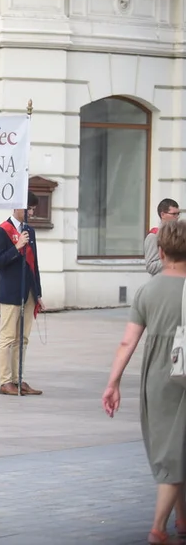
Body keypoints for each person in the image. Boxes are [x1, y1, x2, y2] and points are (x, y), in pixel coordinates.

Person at [103, 219, 186, 545]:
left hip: (159, 378)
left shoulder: (147, 291)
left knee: (171, 448)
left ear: (161, 251)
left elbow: (128, 343)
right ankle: (165, 526)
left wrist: (113, 383)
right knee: (176, 450)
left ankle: (168, 525)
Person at [0, 191, 43, 396]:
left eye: (33, 209)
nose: (31, 212)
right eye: (29, 208)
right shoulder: (2, 231)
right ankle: (5, 381)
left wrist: (38, 293)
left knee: (23, 338)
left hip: (28, 291)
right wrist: (17, 246)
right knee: (8, 337)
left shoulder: (30, 231)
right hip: (10, 291)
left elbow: (34, 264)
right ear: (17, 207)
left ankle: (18, 378)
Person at [146, 199, 181, 276]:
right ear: (162, 214)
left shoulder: (179, 234)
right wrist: (173, 259)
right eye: (174, 214)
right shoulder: (154, 236)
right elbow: (150, 267)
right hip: (163, 283)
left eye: (178, 214)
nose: (177, 217)